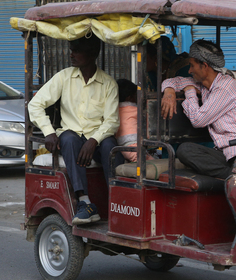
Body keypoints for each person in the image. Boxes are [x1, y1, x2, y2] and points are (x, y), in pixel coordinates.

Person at [28, 34, 123, 225]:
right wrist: (49, 131)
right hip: (72, 137)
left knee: (110, 146)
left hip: (96, 140)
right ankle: (84, 202)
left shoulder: (108, 83)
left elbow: (112, 121)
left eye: (77, 51)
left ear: (93, 53)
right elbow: (35, 104)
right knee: (70, 140)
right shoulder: (64, 77)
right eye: (72, 50)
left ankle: (118, 201)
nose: (72, 55)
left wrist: (93, 140)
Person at [160, 39, 236, 179]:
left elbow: (198, 120)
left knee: (188, 150)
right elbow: (174, 81)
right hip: (228, 152)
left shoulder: (225, 87)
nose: (189, 70)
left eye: (192, 66)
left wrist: (190, 91)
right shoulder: (204, 85)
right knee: (186, 150)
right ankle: (234, 176)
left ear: (204, 66)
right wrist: (169, 91)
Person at [116, 78, 155, 163]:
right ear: (129, 97)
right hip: (135, 146)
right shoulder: (136, 109)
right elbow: (149, 126)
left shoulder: (115, 110)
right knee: (153, 164)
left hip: (120, 147)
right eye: (135, 95)